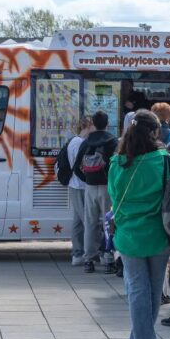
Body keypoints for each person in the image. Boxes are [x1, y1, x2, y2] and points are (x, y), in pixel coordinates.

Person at [109, 110, 170, 339]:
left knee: (138, 290)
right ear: (155, 132)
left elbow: (113, 198)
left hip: (128, 234)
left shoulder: (117, 162)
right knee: (153, 290)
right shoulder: (164, 159)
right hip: (159, 233)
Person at [74, 110, 118, 274]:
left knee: (90, 223)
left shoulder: (86, 142)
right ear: (107, 124)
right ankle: (108, 259)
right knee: (109, 224)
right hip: (108, 187)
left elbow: (76, 167)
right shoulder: (112, 141)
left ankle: (88, 260)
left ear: (93, 123)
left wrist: (87, 180)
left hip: (90, 188)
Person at [67, 116, 92, 267]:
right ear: (87, 126)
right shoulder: (79, 143)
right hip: (80, 185)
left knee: (78, 221)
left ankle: (77, 253)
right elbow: (79, 165)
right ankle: (87, 253)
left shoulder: (75, 141)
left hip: (76, 185)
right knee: (86, 220)